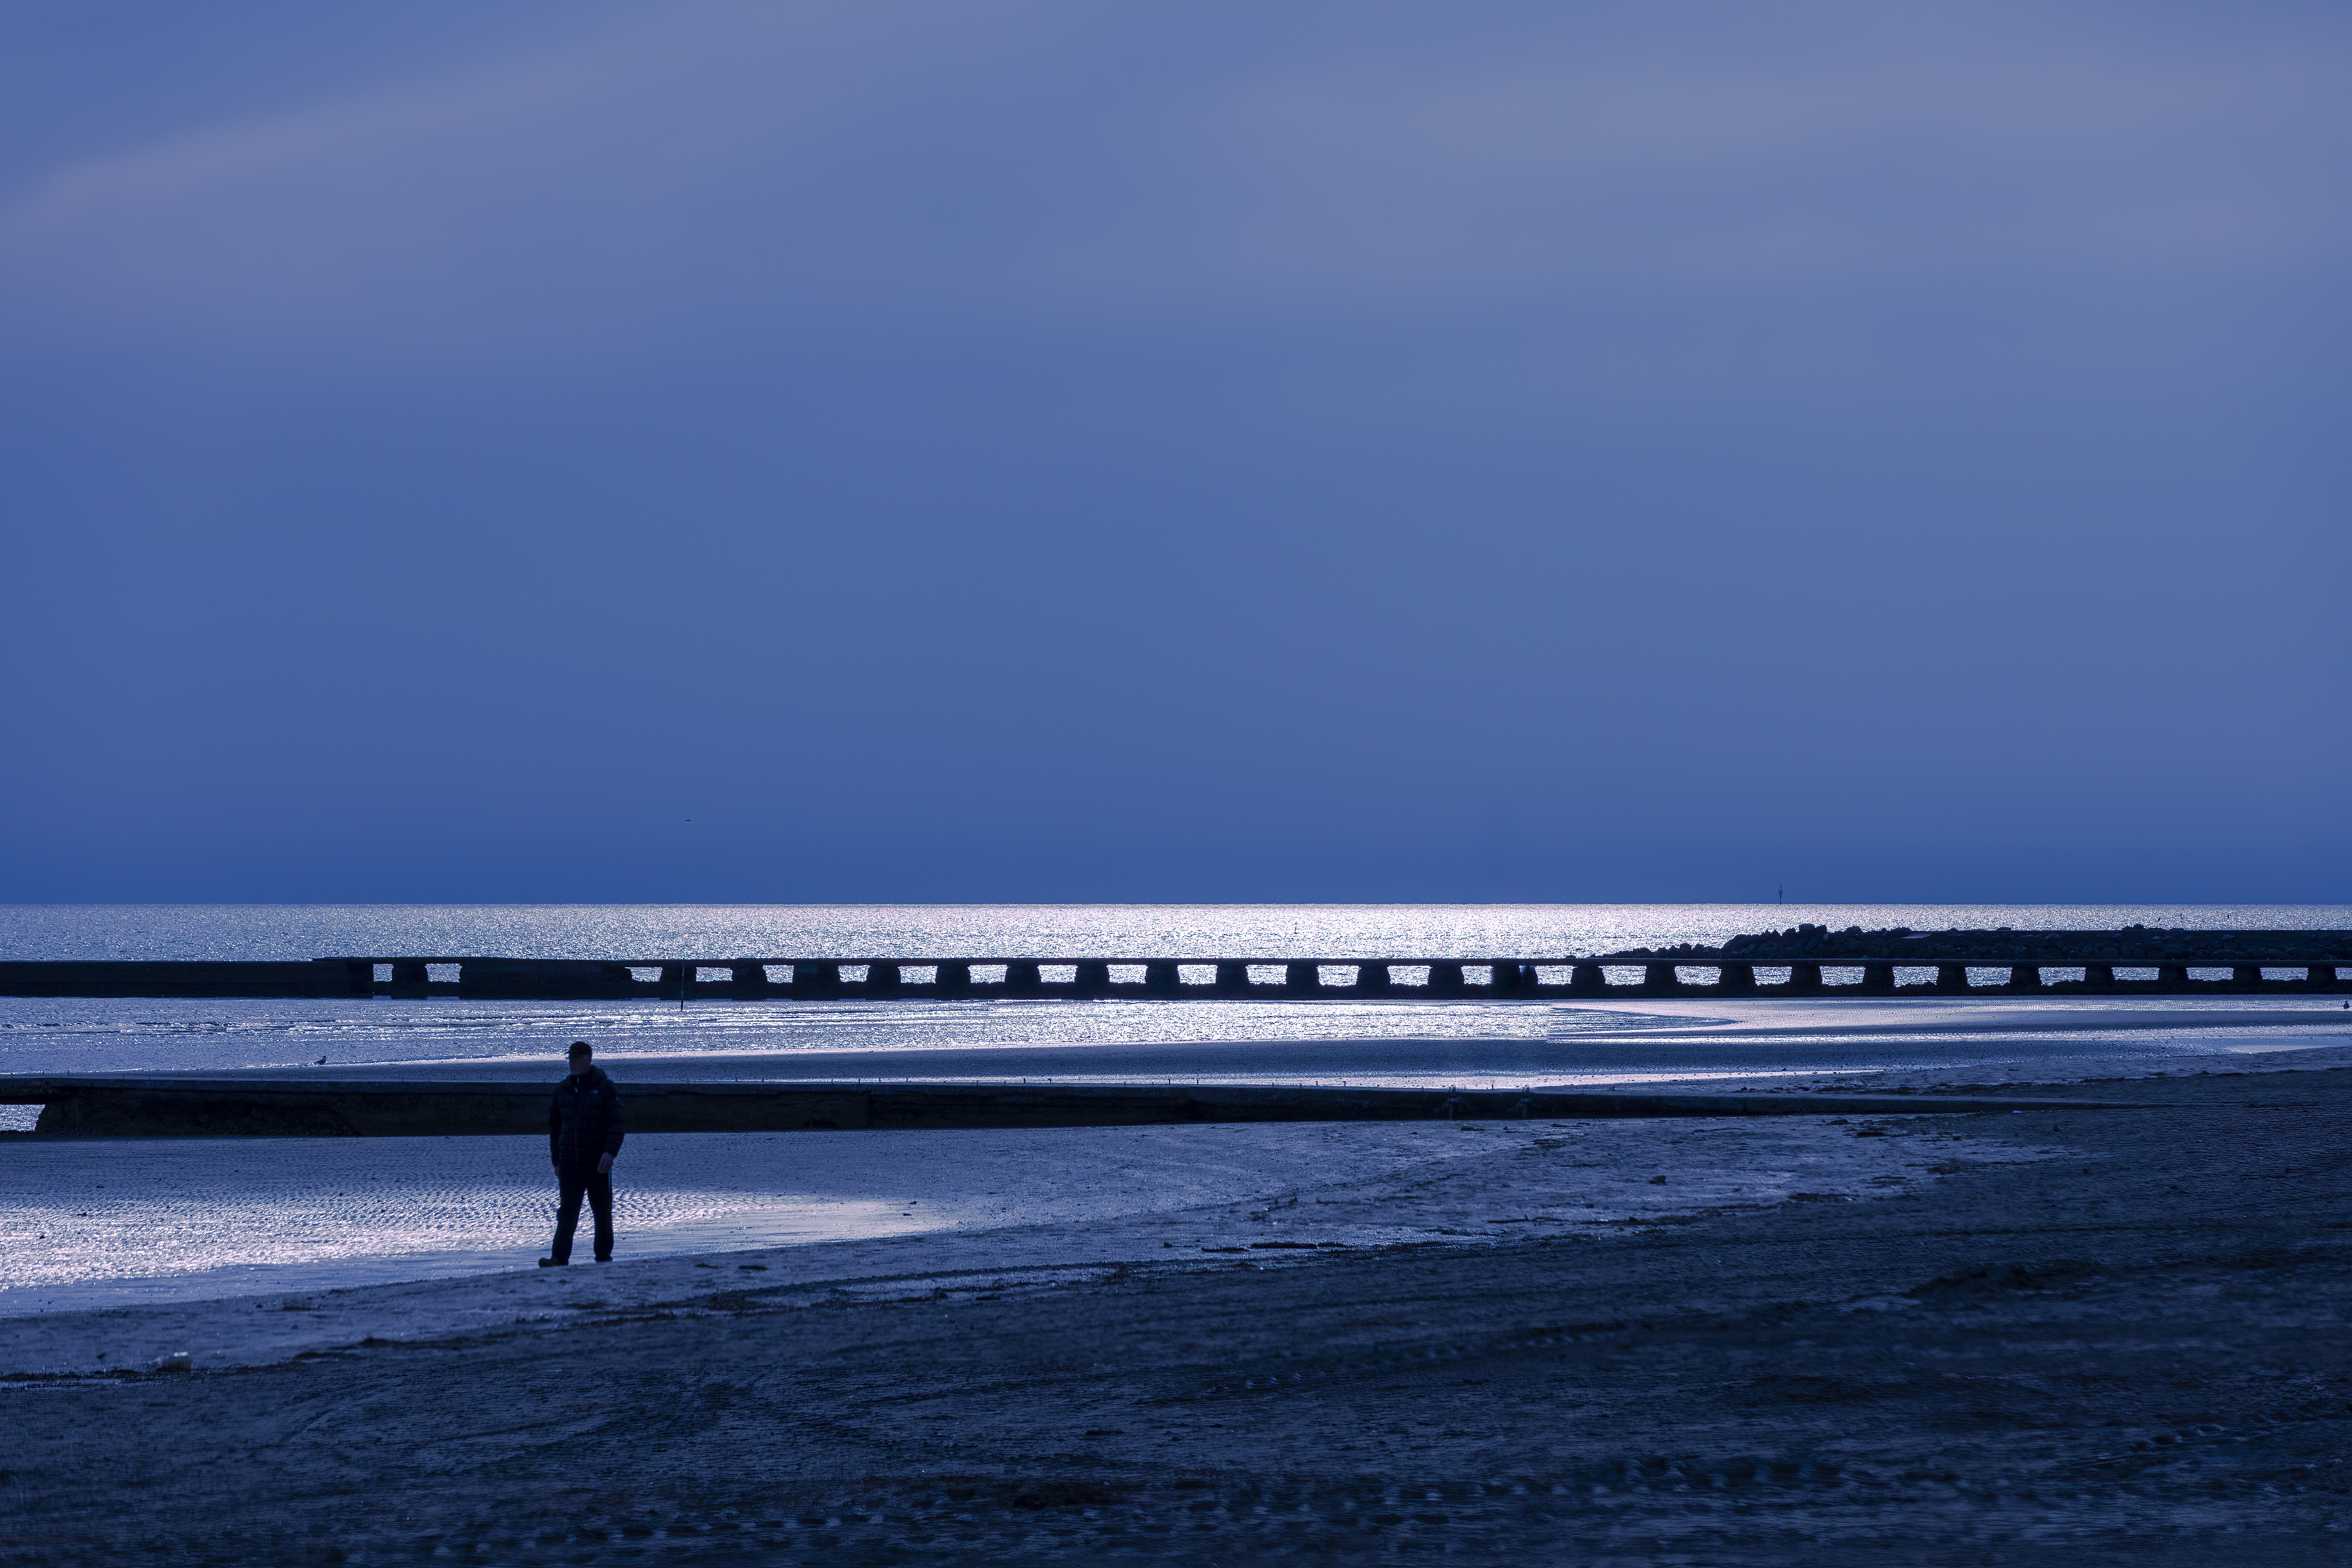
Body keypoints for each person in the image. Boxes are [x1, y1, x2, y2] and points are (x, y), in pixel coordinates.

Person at [540, 1040, 624, 1266]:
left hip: (598, 1163)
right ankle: (559, 1258)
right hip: (569, 1162)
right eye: (570, 1058)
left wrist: (610, 1153)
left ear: (588, 1059)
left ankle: (603, 1257)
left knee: (602, 1212)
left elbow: (617, 1125)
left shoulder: (606, 1088)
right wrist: (556, 1161)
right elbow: (555, 1129)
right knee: (567, 1212)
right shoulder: (562, 1090)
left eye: (576, 1058)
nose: (572, 1062)